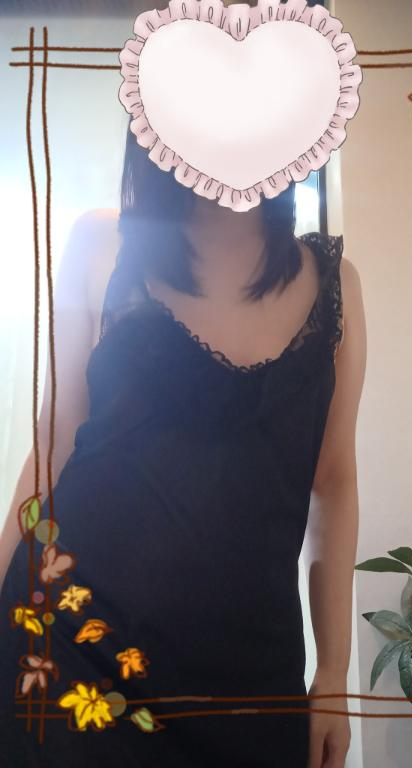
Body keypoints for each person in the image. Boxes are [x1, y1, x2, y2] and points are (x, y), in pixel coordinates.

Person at [0, 122, 366, 767]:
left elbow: (332, 482)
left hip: (250, 677)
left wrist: (333, 671)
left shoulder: (336, 285)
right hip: (76, 649)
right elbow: (54, 443)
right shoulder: (102, 244)